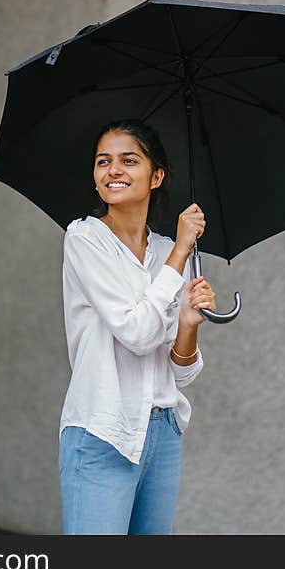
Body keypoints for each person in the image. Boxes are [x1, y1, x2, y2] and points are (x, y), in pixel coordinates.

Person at [57, 118, 216, 534]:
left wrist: (188, 323)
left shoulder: (165, 250)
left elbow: (182, 369)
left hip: (162, 432)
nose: (114, 171)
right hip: (102, 429)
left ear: (156, 176)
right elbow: (138, 333)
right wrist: (182, 250)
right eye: (103, 162)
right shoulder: (85, 239)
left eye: (129, 160)